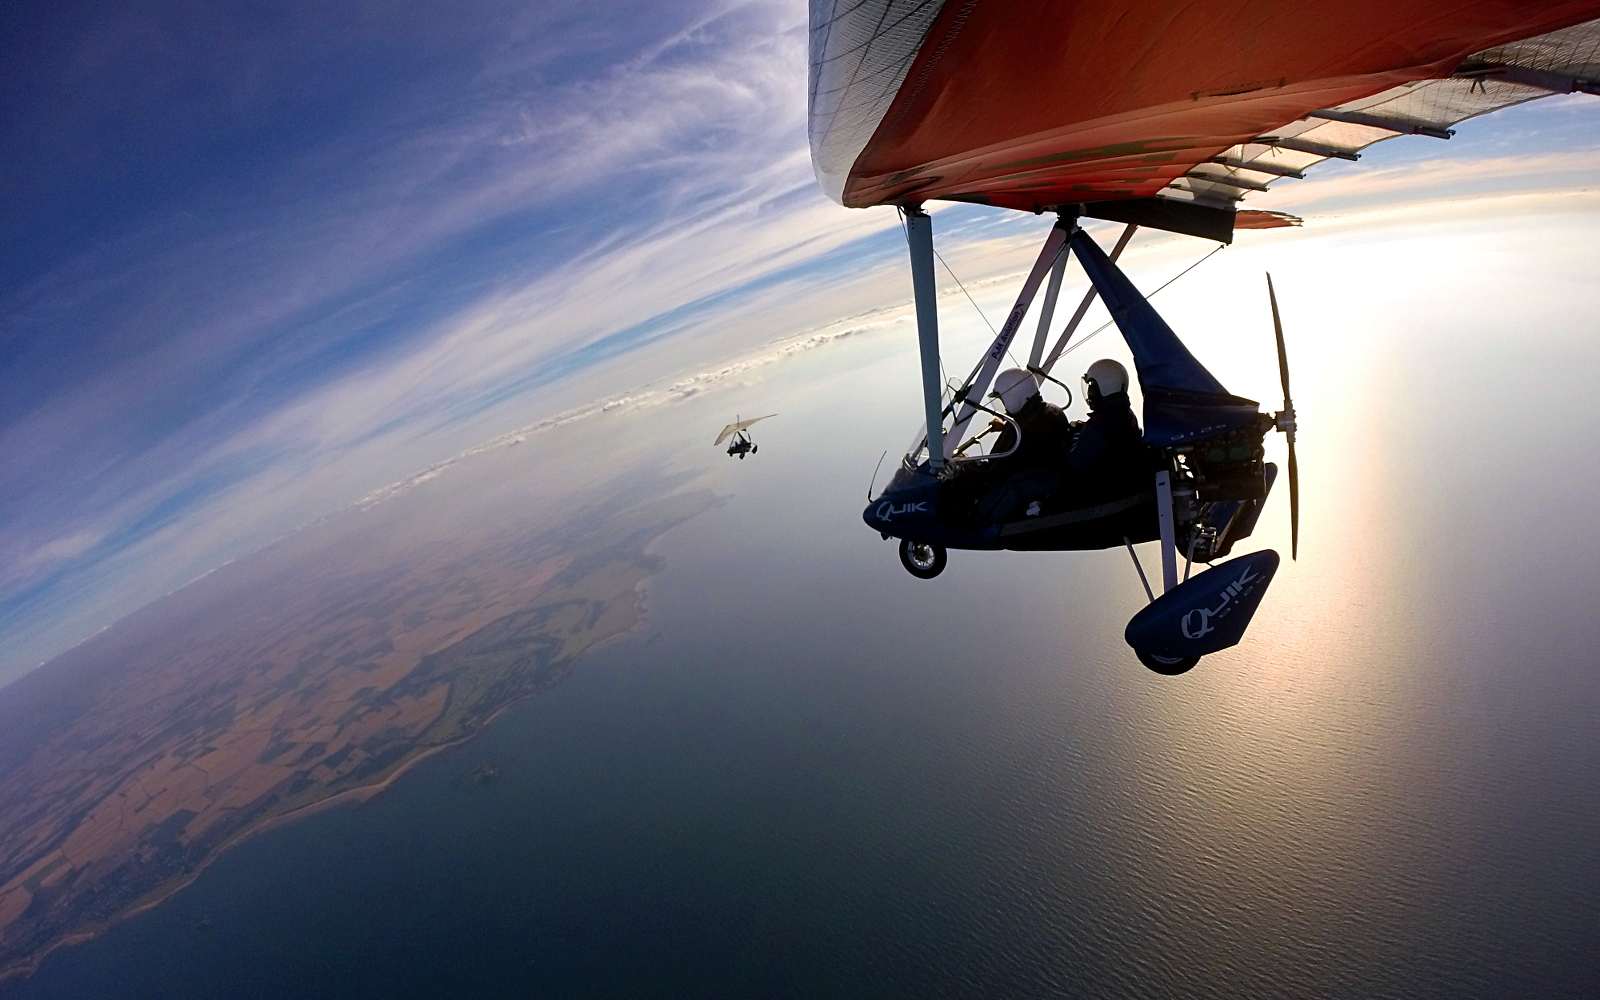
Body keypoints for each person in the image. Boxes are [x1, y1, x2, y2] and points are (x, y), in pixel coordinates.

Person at [1067, 359, 1147, 489]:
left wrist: (1072, 435)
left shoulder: (1101, 423)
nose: (1089, 393)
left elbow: (1076, 462)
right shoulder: (1124, 412)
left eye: (1092, 387)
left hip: (1102, 487)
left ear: (1105, 387)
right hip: (1121, 482)